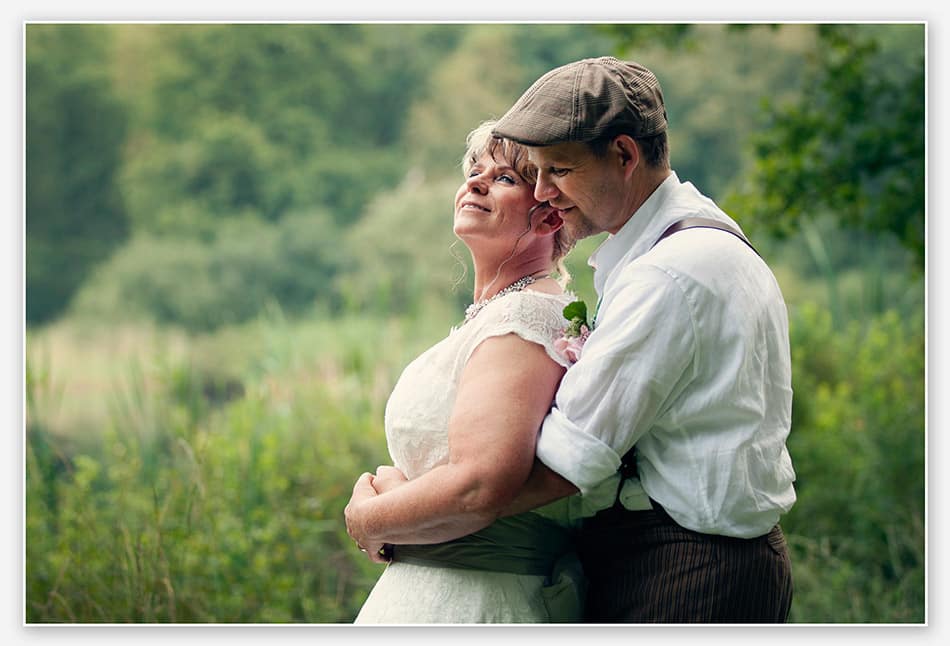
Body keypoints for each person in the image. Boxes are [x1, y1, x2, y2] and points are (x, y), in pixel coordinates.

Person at [485, 56, 798, 622]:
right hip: (700, 561)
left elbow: (567, 461)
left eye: (558, 169)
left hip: (692, 575)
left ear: (625, 155)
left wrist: (419, 528)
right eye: (533, 171)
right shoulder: (692, 235)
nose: (542, 192)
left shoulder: (669, 272)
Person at [343, 121, 584, 623]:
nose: (475, 182)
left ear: (549, 218)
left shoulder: (527, 320)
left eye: (504, 179)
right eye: (474, 171)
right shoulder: (496, 317)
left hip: (473, 603)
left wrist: (369, 516)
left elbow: (478, 485)